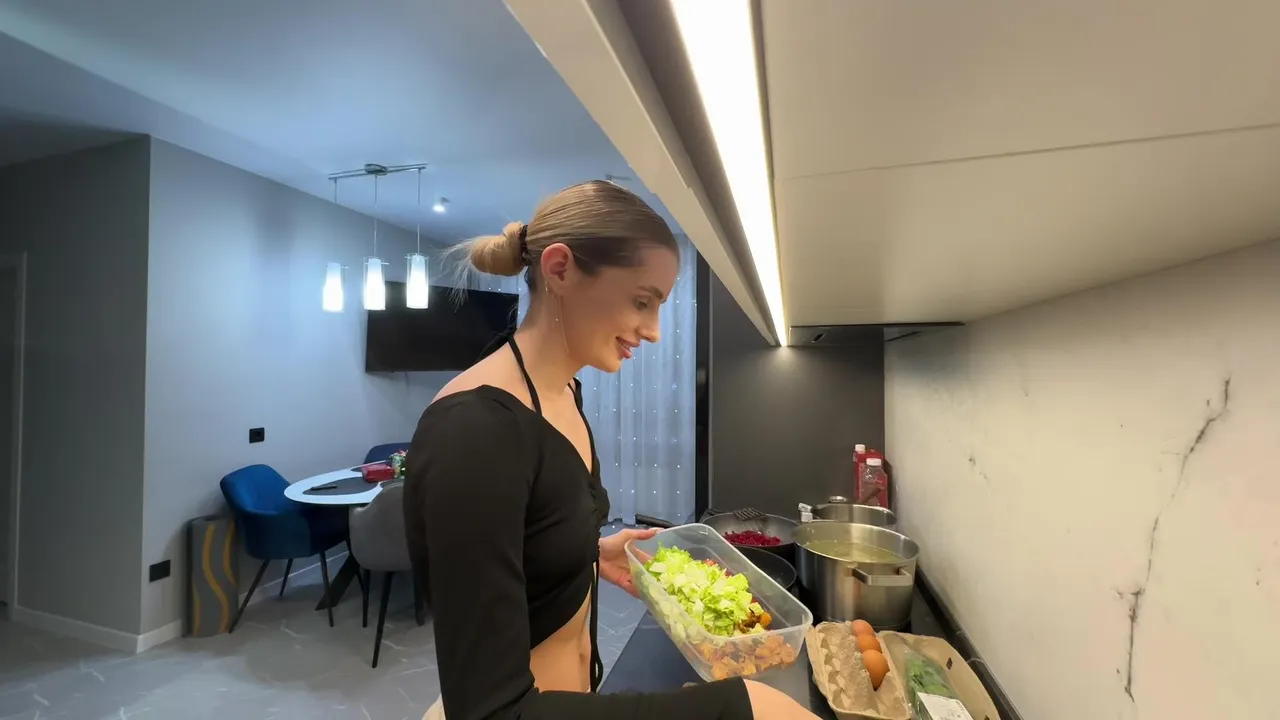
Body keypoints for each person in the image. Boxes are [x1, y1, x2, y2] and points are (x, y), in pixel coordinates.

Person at [404, 180, 817, 720]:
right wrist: (733, 709)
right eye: (642, 301)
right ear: (559, 269)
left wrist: (584, 554)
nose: (654, 331)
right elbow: (490, 712)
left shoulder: (564, 393)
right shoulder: (474, 431)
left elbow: (520, 542)